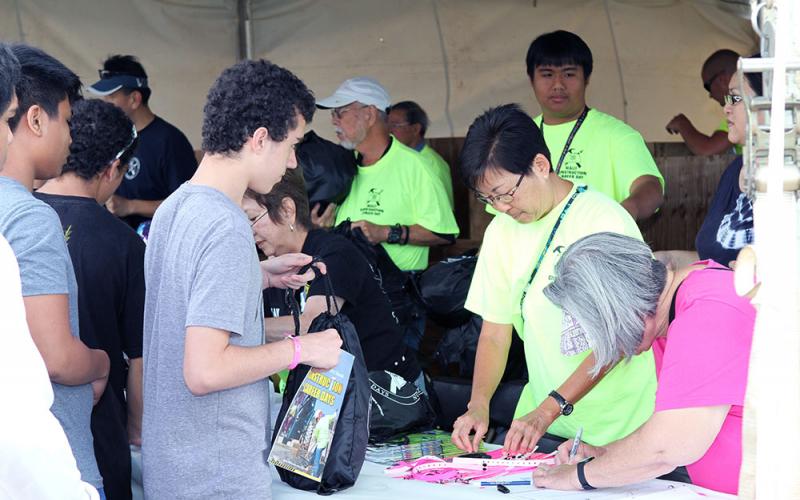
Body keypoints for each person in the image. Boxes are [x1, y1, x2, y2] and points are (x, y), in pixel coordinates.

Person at [141, 59, 342, 499]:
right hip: (217, 477)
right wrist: (300, 348)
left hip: (174, 468)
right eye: (291, 145)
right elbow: (205, 369)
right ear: (259, 139)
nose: (292, 161)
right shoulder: (227, 226)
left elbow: (184, 303)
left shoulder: (175, 207)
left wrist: (260, 277)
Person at [450, 104, 656, 456]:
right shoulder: (501, 231)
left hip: (619, 425)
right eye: (488, 199)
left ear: (540, 166)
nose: (500, 207)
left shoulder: (604, 219)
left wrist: (549, 408)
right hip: (544, 427)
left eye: (505, 193)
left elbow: (625, 333)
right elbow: (496, 330)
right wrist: (478, 404)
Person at [533, 232, 754, 495]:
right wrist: (605, 455)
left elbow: (669, 446)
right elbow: (672, 425)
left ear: (627, 310)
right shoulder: (683, 301)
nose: (610, 346)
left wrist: (576, 477)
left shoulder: (705, 313)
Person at [0, 43, 108, 495]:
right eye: (66, 120)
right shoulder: (30, 218)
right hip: (55, 468)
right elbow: (56, 358)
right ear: (36, 119)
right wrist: (103, 363)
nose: (70, 137)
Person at [36, 99, 144, 500]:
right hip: (98, 439)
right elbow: (140, 360)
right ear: (113, 168)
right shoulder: (125, 245)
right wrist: (134, 428)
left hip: (22, 437)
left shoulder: (14, 216)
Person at [315, 77, 459, 350]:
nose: (334, 121)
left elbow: (444, 233)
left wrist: (386, 232)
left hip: (397, 300)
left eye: (340, 112)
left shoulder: (416, 167)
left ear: (369, 114)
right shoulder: (343, 170)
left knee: (393, 386)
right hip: (347, 294)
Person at [244, 168, 422, 387]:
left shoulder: (335, 253)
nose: (247, 230)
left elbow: (312, 325)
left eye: (252, 218)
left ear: (287, 210)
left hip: (386, 394)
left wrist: (241, 331)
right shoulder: (270, 266)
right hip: (328, 396)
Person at [525, 30, 663, 220]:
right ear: (531, 79)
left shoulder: (618, 135)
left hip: (595, 246)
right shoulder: (516, 137)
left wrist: (611, 220)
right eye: (547, 74)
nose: (558, 84)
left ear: (587, 79)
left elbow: (650, 188)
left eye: (569, 74)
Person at [656, 68, 761, 271]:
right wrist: (669, 259)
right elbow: (714, 258)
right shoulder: (733, 172)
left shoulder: (792, 177)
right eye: (727, 98)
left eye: (736, 98)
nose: (726, 108)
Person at [87, 54, 197, 232]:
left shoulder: (170, 141)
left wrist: (130, 206)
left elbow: (188, 205)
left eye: (111, 97)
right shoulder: (112, 139)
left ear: (134, 99)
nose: (104, 104)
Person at [665, 49, 740, 156]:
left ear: (722, 80)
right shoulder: (752, 99)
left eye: (708, 87)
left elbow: (707, 149)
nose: (710, 95)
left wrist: (682, 123)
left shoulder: (744, 108)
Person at [388, 100, 454, 209]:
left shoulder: (433, 165)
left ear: (415, 129)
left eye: (395, 125)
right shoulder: (394, 158)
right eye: (387, 124)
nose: (389, 130)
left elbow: (443, 212)